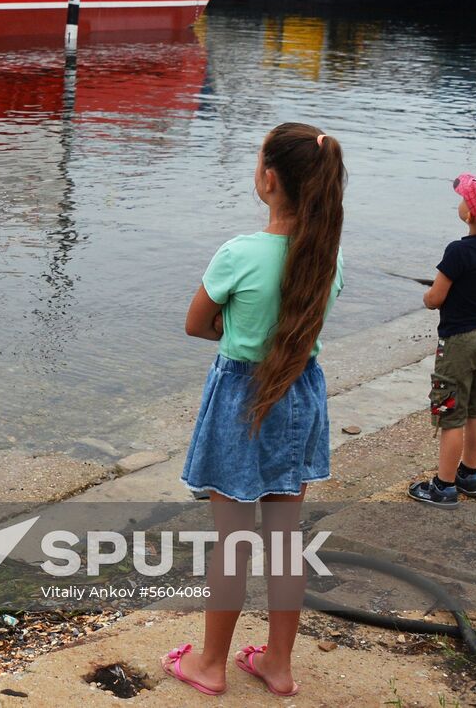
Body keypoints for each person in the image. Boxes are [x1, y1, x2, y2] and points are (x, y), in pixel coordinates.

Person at [161, 123, 345, 698]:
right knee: (287, 543)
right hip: (301, 395)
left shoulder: (240, 252)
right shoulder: (328, 260)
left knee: (234, 543)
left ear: (268, 180)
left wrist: (234, 329)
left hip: (244, 400)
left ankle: (210, 664)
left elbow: (196, 324)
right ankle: (278, 665)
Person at [409, 174, 476, 507]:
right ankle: (469, 474)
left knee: (450, 413)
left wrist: (427, 297)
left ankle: (443, 486)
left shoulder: (457, 251)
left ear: (469, 214)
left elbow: (436, 297)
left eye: (464, 198)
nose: (461, 201)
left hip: (459, 341)